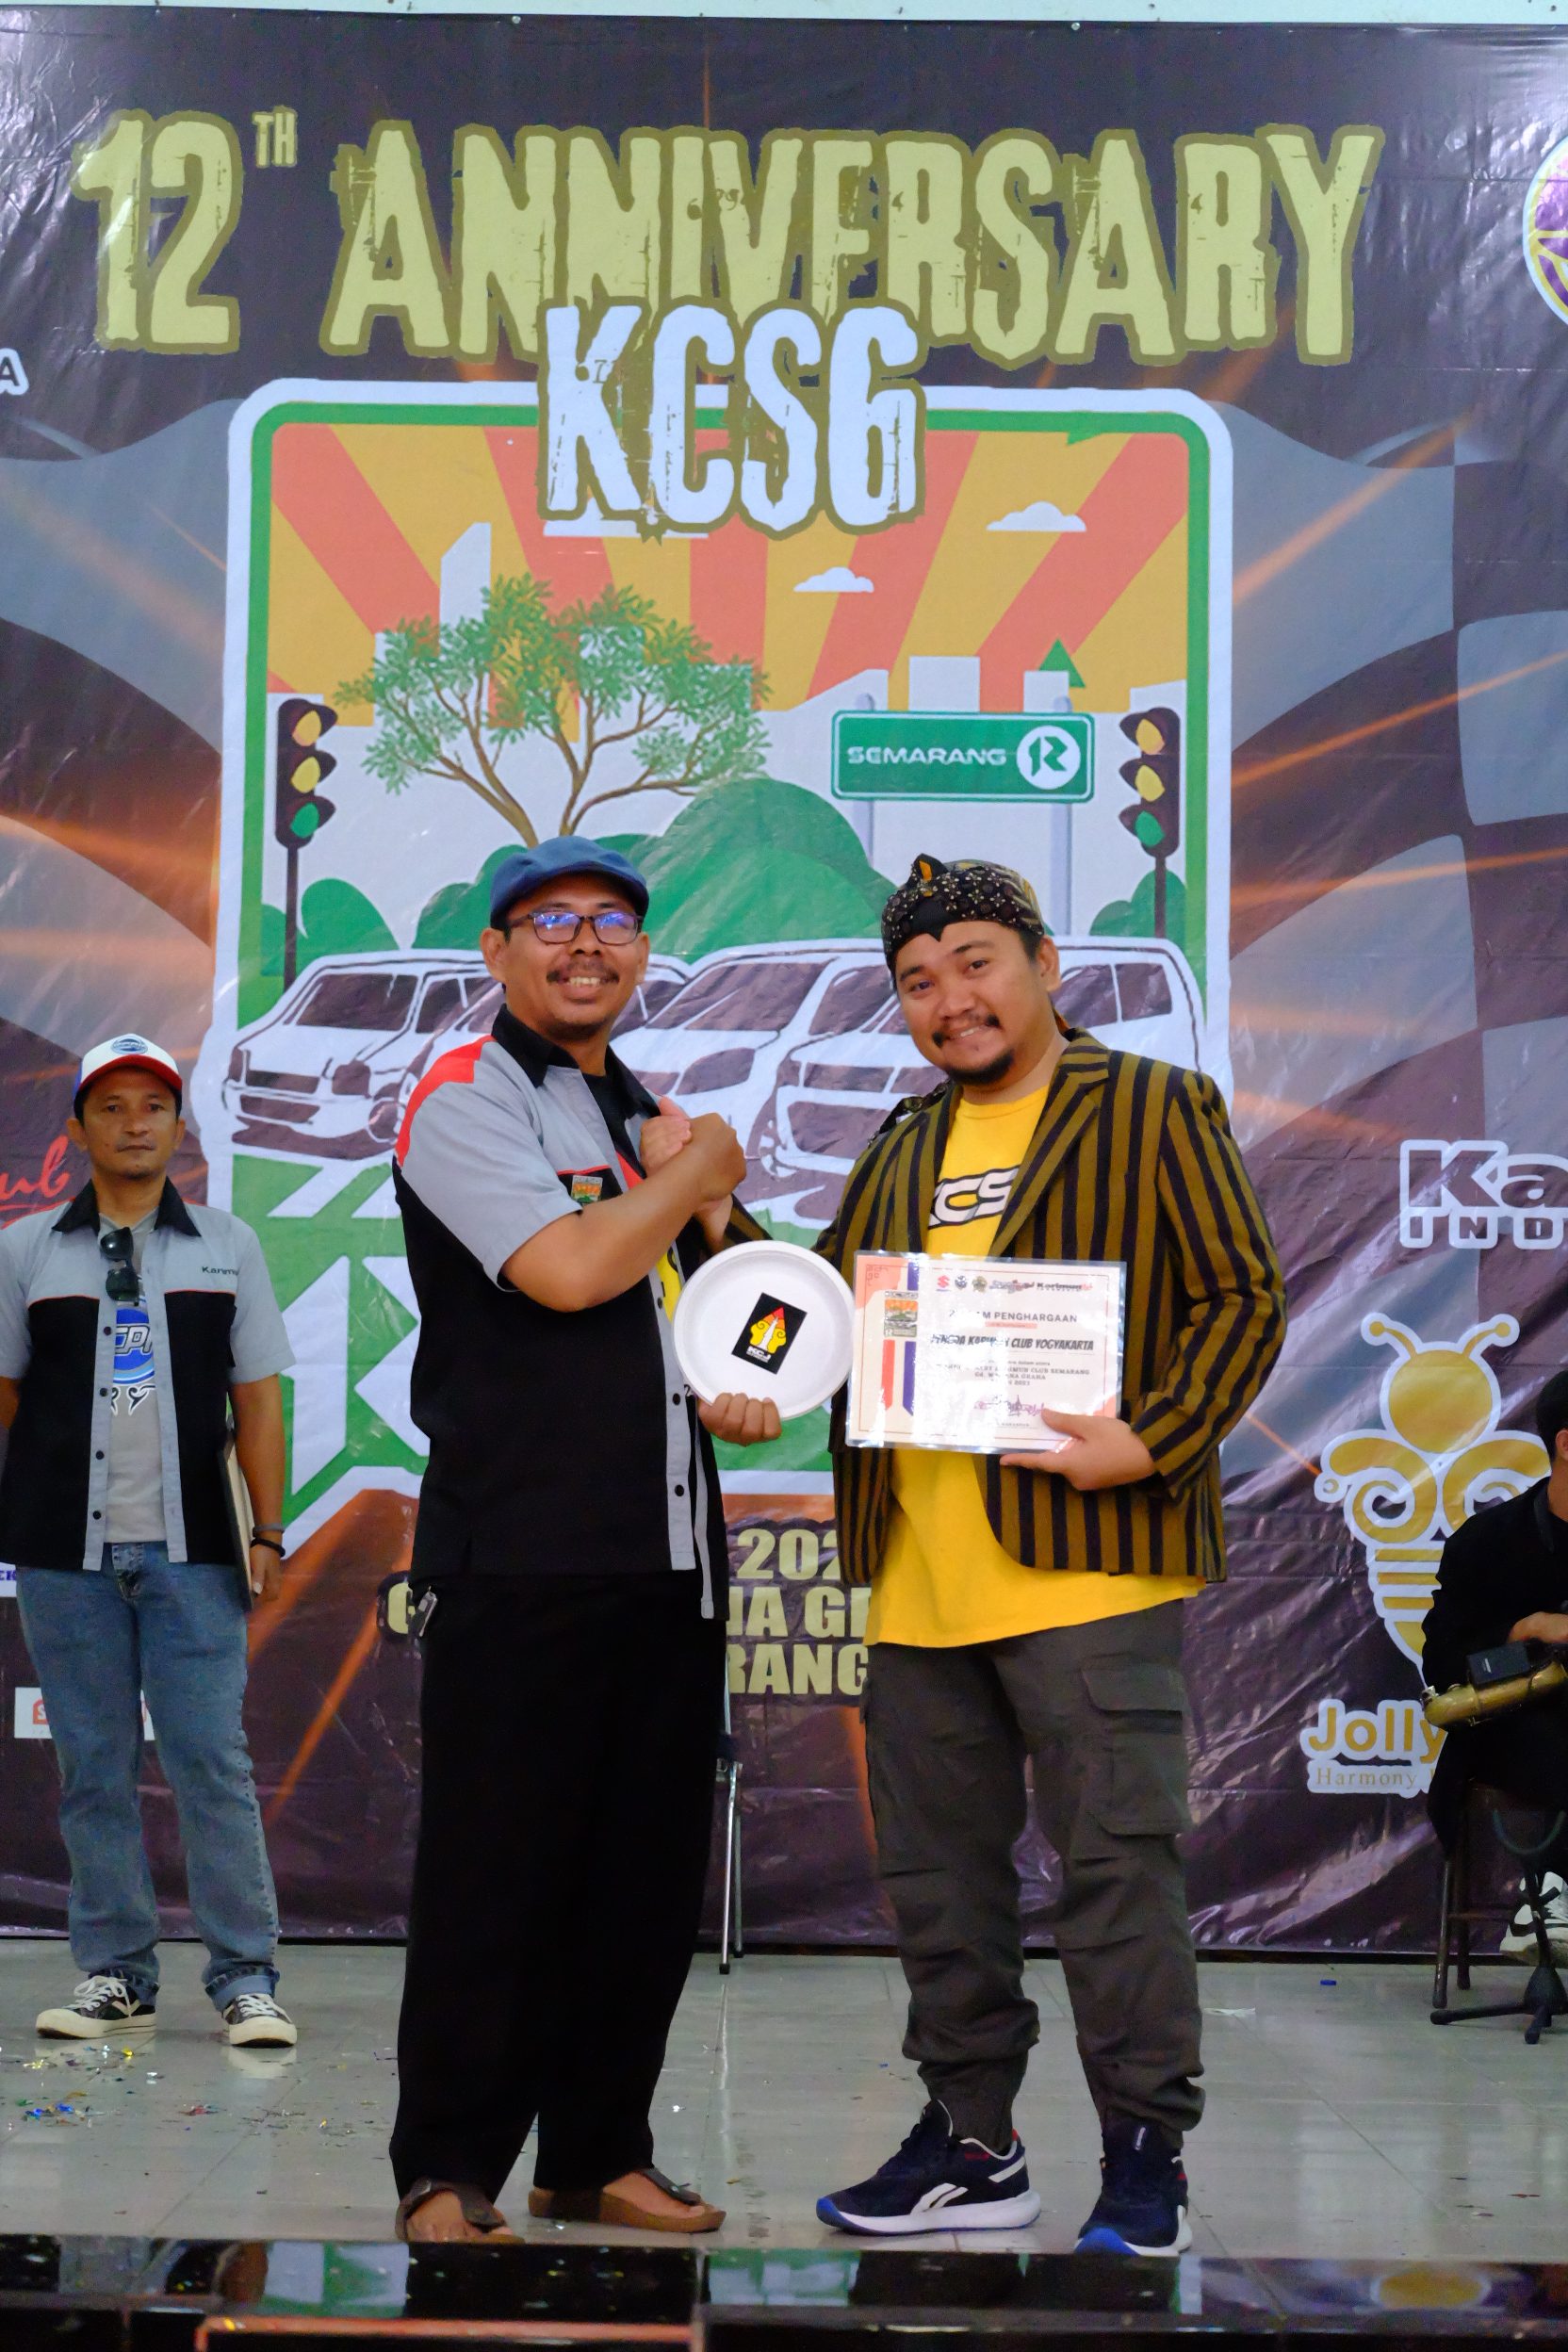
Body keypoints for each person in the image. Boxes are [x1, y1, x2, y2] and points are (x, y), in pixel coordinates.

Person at [812, 855, 1286, 2255]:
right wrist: (736, 1316)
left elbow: (1242, 1297)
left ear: (1043, 966)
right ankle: (974, 2146)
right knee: (939, 1888)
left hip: (1089, 1568)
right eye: (917, 981)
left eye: (975, 963)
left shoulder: (1149, 1102)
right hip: (917, 1579)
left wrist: (1149, 1440)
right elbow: (823, 1310)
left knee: (1114, 1875)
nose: (948, 999)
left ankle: (1146, 2157)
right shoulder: (900, 1140)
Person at [388, 838, 778, 2245]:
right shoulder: (462, 1096)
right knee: (497, 1873)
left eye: (612, 921)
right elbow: (567, 1271)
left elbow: (759, 1313)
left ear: (641, 955)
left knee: (640, 1882)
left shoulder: (646, 1112)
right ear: (497, 953)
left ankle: (596, 2154)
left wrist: (743, 1352)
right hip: (520, 1553)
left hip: (670, 1560)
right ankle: (447, 2167)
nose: (585, 944)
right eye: (550, 922)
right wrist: (695, 1170)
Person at [0, 1034, 297, 2048]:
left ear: (179, 1126)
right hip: (63, 1556)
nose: (135, 1125)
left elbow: (259, 1399)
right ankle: (116, 1973)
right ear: (78, 1129)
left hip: (196, 1549)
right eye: (113, 1107)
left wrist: (268, 1529)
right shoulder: (27, 1250)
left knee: (210, 1761)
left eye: (154, 1107)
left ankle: (245, 1977)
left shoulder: (227, 1244)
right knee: (92, 1767)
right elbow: (6, 1396)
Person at [1423, 1366, 1568, 1961]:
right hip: (1509, 1730)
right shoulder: (1488, 1541)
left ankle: (1548, 1898)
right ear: (1566, 1443)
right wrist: (1526, 1633)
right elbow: (1443, 1665)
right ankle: (1550, 1899)